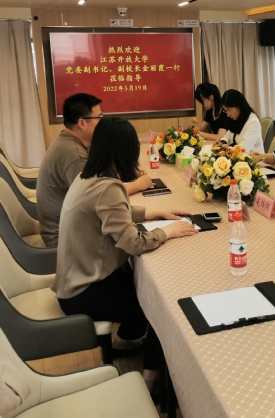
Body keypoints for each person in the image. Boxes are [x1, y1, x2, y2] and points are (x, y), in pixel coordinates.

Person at [52, 117, 198, 391]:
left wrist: (153, 213)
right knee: (161, 306)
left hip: (75, 279)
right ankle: (151, 379)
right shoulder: (109, 187)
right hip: (84, 291)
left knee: (140, 285)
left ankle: (125, 341)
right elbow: (134, 244)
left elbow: (112, 212)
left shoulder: (89, 176)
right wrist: (168, 232)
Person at [36, 93, 153, 247]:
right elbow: (97, 199)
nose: (102, 122)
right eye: (99, 117)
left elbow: (96, 181)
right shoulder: (73, 155)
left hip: (72, 227)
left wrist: (125, 172)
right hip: (64, 238)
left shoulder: (73, 141)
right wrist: (138, 185)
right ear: (82, 123)